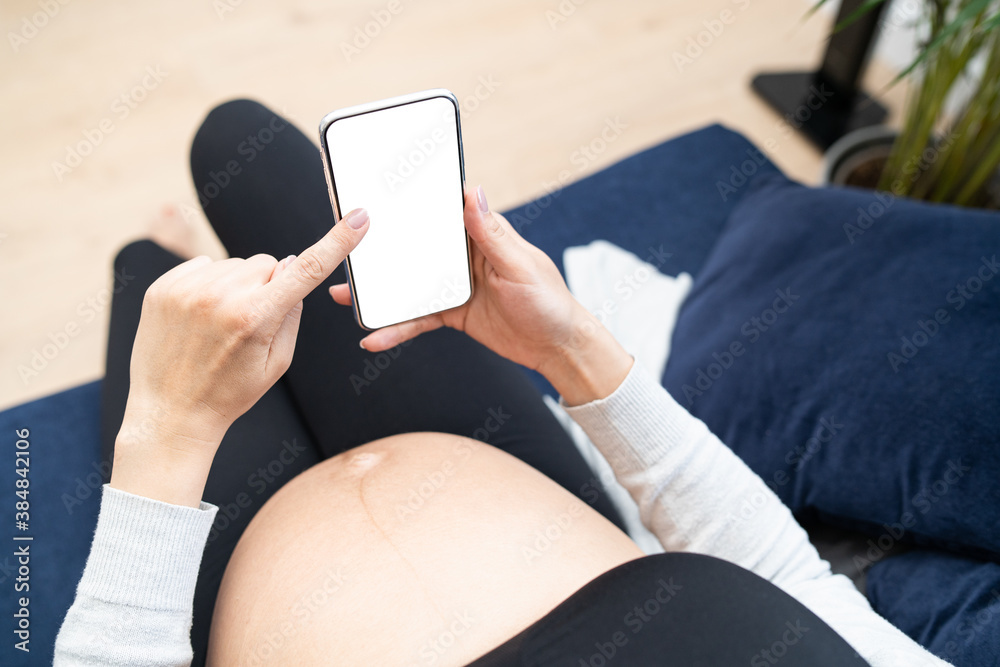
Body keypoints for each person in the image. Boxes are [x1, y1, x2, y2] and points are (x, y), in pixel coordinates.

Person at [53, 101, 950, 667]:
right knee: (240, 142)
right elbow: (785, 576)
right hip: (502, 471)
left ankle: (155, 254)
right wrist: (573, 350)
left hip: (244, 571)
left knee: (146, 282)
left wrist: (165, 436)